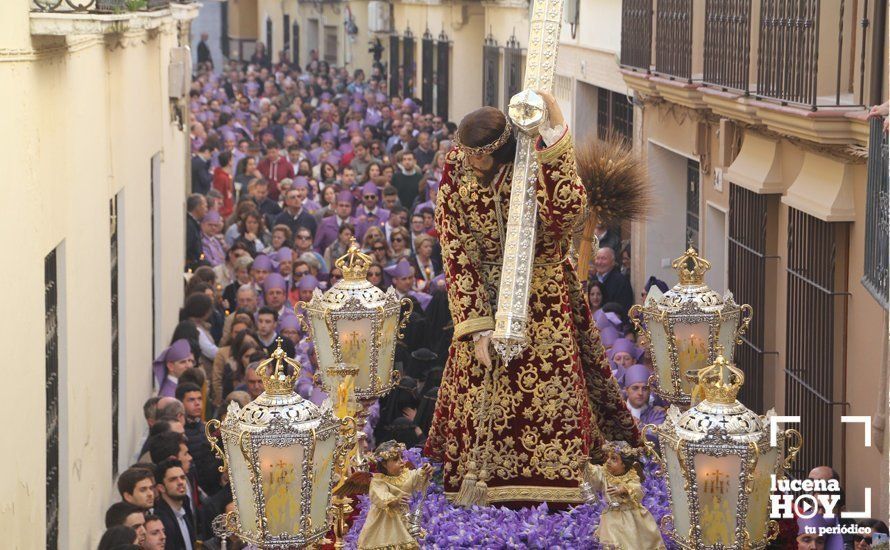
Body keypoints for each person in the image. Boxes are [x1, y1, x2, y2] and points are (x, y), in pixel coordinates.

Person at [424, 97, 642, 507]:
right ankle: (476, 486)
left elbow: (569, 213)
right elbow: (453, 243)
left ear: (498, 149)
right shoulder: (457, 164)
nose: (469, 164)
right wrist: (475, 325)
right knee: (476, 400)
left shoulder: (534, 160)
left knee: (555, 395)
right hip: (484, 299)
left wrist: (557, 134)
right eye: (466, 155)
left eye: (478, 157)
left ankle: (560, 486)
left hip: (542, 296)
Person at [582, 442, 665, 549]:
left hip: (632, 516)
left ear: (624, 464)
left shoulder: (632, 475)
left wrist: (624, 489)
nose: (608, 461)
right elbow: (594, 475)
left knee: (634, 540)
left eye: (614, 459)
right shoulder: (604, 473)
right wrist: (584, 466)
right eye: (608, 457)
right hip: (612, 516)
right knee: (614, 541)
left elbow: (638, 489)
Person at [356, 441, 432, 550]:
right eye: (396, 460)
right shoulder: (378, 481)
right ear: (384, 464)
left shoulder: (406, 475)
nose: (402, 462)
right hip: (382, 523)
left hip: (402, 520)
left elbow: (416, 476)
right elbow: (380, 495)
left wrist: (425, 471)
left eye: (401, 457)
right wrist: (394, 500)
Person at [153, 459, 197, 550]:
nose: (180, 482)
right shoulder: (160, 519)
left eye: (182, 477)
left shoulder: (186, 507)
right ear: (161, 488)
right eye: (173, 479)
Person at [623, 364, 665, 438]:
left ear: (649, 391)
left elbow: (657, 437)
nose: (640, 393)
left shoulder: (657, 413)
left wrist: (638, 425)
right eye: (635, 388)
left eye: (645, 388)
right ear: (626, 390)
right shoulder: (619, 412)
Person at [594, 246, 635, 313]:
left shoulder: (621, 282)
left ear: (613, 262)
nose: (599, 262)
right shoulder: (592, 280)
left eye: (603, 259)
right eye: (598, 258)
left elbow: (624, 309)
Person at [186, 194, 208, 267]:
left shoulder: (194, 224)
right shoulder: (189, 225)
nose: (206, 209)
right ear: (198, 207)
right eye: (205, 206)